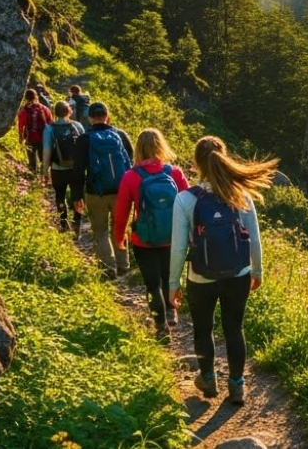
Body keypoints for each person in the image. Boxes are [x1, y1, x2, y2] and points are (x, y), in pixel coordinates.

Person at [169, 136, 276, 405]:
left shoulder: (185, 199)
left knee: (203, 329)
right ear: (225, 159)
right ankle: (237, 387)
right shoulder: (241, 195)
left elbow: (179, 248)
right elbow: (254, 239)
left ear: (196, 164)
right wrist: (257, 271)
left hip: (200, 277)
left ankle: (208, 379)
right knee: (234, 329)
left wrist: (173, 283)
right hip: (238, 274)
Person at [113, 129, 190, 336]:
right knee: (169, 277)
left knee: (152, 284)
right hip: (173, 237)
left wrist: (119, 237)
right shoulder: (174, 173)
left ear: (138, 149)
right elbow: (190, 204)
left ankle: (160, 326)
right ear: (161, 146)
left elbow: (122, 212)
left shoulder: (131, 176)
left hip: (144, 240)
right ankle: (171, 310)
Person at [72, 102, 134, 278]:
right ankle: (123, 265)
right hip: (121, 192)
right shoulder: (120, 135)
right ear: (107, 116)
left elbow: (78, 170)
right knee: (119, 227)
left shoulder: (84, 139)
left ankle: (108, 268)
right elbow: (130, 161)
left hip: (95, 192)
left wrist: (77, 196)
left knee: (100, 231)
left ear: (90, 118)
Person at [43, 101, 86, 233]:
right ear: (69, 111)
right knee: (78, 196)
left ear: (55, 112)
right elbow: (84, 147)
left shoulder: (49, 129)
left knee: (60, 196)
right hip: (76, 169)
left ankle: (63, 224)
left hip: (58, 169)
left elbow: (47, 151)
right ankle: (77, 225)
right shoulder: (77, 126)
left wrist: (45, 171)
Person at [16, 89, 53, 173]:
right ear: (36, 96)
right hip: (43, 138)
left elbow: (21, 125)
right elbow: (50, 123)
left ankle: (33, 174)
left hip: (30, 138)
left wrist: (21, 137)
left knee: (32, 161)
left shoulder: (25, 111)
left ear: (25, 98)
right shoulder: (44, 109)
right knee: (43, 159)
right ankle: (45, 175)